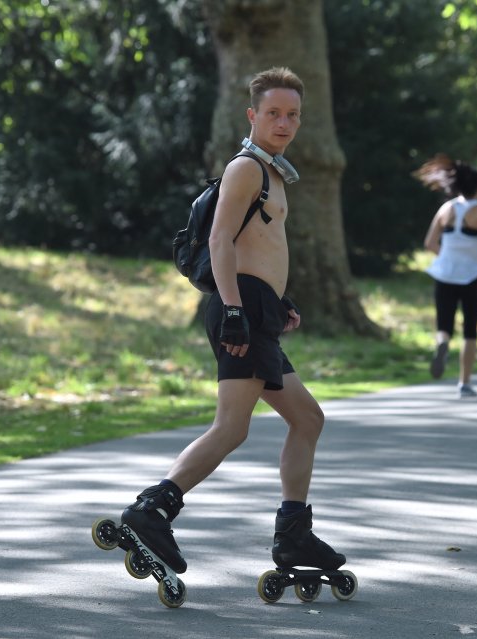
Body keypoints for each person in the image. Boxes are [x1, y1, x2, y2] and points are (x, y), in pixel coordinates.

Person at [119, 67, 345, 585]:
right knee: (233, 426)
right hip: (238, 310)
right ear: (253, 115)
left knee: (306, 419)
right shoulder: (246, 169)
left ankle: (293, 532)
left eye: (293, 115)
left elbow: (256, 249)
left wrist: (275, 302)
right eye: (273, 113)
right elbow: (221, 242)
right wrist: (238, 310)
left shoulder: (272, 172)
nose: (284, 122)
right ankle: (151, 511)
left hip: (256, 308)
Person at [414, 154, 477, 398]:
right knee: (470, 329)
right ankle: (464, 383)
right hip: (471, 275)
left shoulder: (447, 208)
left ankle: (442, 343)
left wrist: (448, 255)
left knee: (444, 323)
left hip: (444, 273)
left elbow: (430, 242)